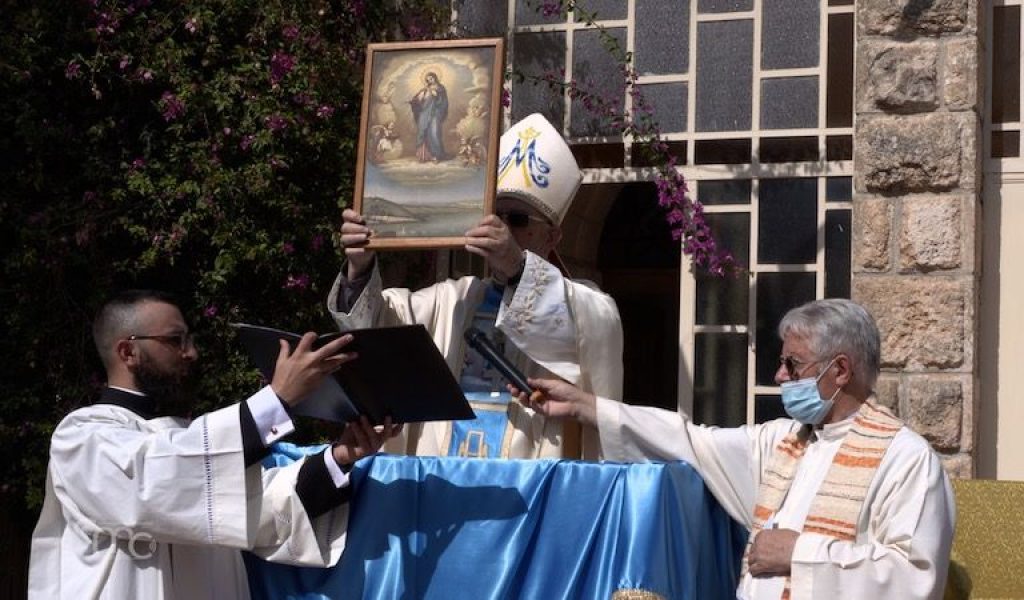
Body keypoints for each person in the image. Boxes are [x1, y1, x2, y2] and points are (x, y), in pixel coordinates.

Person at [514, 298, 955, 599]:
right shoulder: (783, 441)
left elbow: (915, 580)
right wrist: (583, 406)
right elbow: (688, 440)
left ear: (840, 370)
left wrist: (799, 553)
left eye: (792, 364)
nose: (780, 376)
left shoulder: (904, 459)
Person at [29, 289, 400, 599]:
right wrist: (276, 401)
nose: (191, 353)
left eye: (190, 340)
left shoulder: (187, 442)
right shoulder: (80, 437)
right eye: (176, 340)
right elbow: (152, 485)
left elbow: (267, 513)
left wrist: (340, 457)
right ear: (128, 352)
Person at [328, 113, 624, 459]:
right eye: (494, 215)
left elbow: (597, 327)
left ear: (552, 236)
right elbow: (375, 328)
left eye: (516, 220)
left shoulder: (583, 303)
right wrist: (360, 266)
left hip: (528, 489)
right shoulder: (454, 299)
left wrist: (517, 266)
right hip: (443, 481)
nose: (500, 229)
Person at [409, 71, 448, 162]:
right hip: (424, 113)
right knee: (423, 132)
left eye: (431, 78)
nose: (430, 80)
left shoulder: (440, 88)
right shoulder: (425, 89)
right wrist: (415, 101)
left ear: (435, 77)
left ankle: (436, 155)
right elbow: (419, 100)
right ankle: (425, 156)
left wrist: (437, 96)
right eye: (428, 79)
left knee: (434, 133)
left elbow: (444, 102)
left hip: (434, 113)